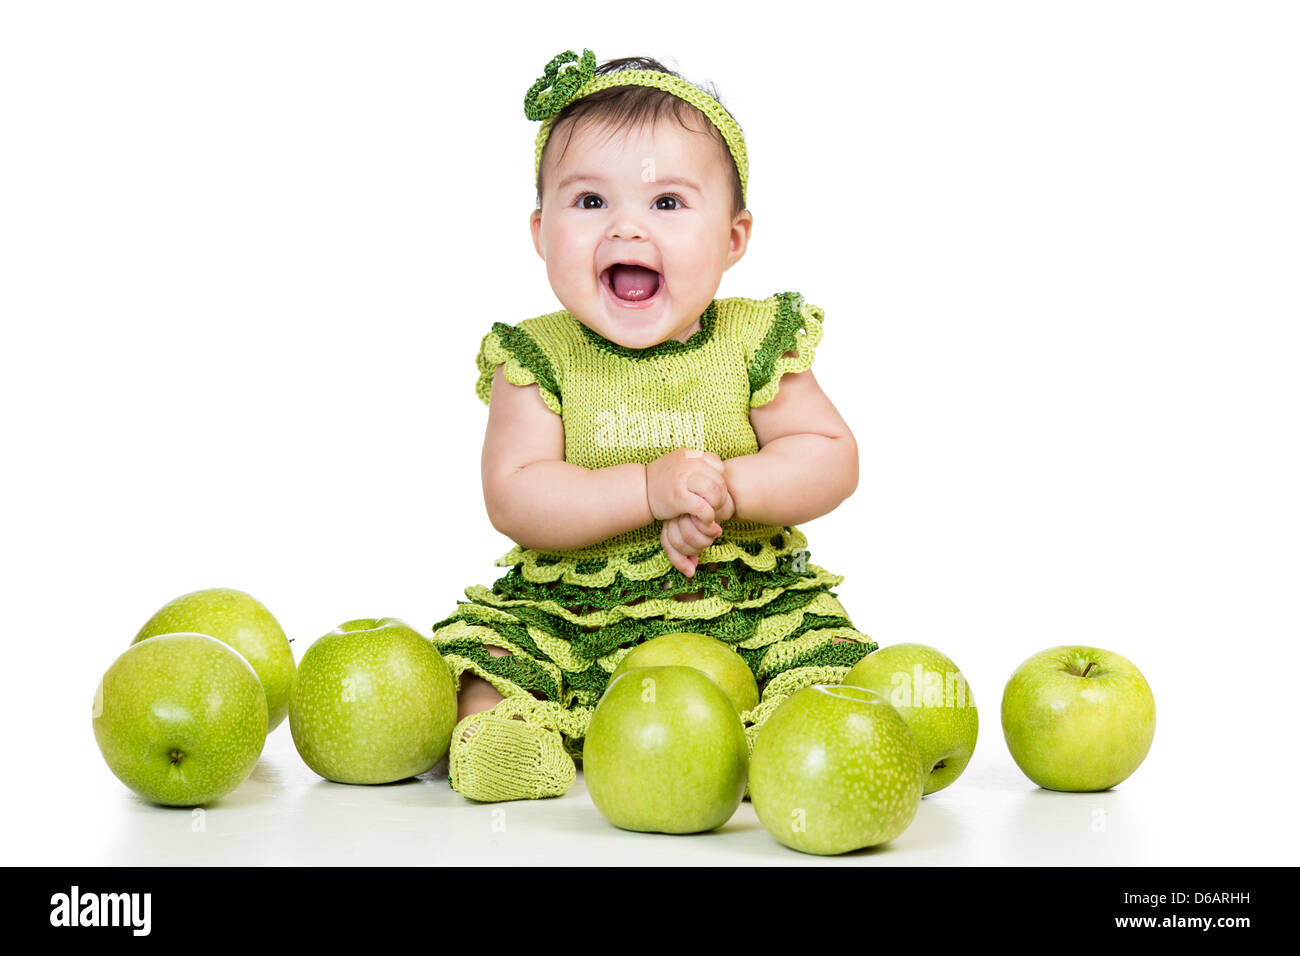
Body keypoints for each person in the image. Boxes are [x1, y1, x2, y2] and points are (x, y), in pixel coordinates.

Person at [431, 47, 875, 802]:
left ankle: (788, 735)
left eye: (667, 203)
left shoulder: (754, 339)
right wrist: (647, 489)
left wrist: (723, 487)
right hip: (572, 606)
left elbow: (830, 454)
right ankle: (507, 735)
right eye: (590, 202)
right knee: (488, 661)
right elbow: (516, 493)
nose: (627, 230)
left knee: (820, 655)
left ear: (733, 238)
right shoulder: (537, 356)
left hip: (743, 600)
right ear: (540, 231)